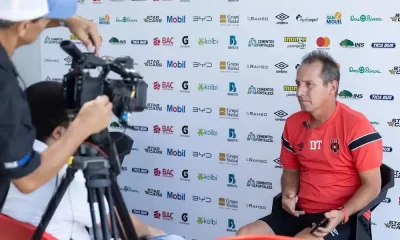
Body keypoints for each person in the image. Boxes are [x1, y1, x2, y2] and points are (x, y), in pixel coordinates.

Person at [2, 81, 184, 240]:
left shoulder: (9, 160)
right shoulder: (67, 178)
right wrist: (155, 232)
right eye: (80, 123)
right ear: (59, 132)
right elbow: (123, 226)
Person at [237, 50, 382, 240]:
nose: (299, 92)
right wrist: (289, 194)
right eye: (298, 84)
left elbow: (373, 185)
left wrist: (343, 213)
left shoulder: (357, 126)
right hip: (301, 212)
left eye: (309, 85)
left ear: (332, 87)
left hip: (340, 216)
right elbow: (290, 170)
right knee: (245, 235)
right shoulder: (293, 123)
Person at [0, 0, 108, 210]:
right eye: (44, 19)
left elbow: (12, 22)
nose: (45, 24)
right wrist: (82, 127)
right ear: (23, 26)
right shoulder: (5, 92)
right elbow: (28, 179)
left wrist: (66, 21)